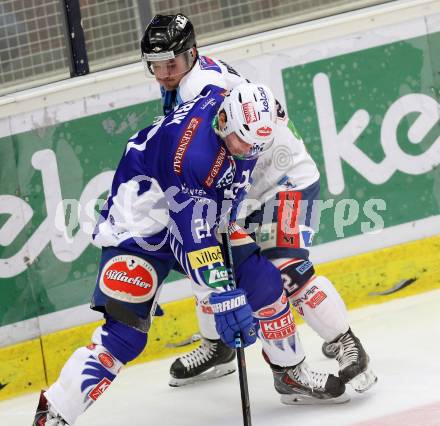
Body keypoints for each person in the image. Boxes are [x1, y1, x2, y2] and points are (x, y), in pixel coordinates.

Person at [33, 83, 349, 425]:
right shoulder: (193, 157)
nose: (247, 151)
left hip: (195, 214)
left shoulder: (227, 109)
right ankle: (54, 412)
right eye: (243, 140)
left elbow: (218, 98)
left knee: (264, 281)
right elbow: (194, 237)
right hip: (140, 229)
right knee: (124, 336)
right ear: (224, 120)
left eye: (256, 144)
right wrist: (225, 300)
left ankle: (290, 373)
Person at [141, 13, 377, 392]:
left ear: (192, 54)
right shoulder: (182, 83)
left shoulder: (199, 87)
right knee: (212, 259)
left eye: (173, 63)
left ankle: (346, 342)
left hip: (283, 183)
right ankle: (218, 346)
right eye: (156, 66)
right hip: (246, 189)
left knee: (285, 268)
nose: (165, 72)